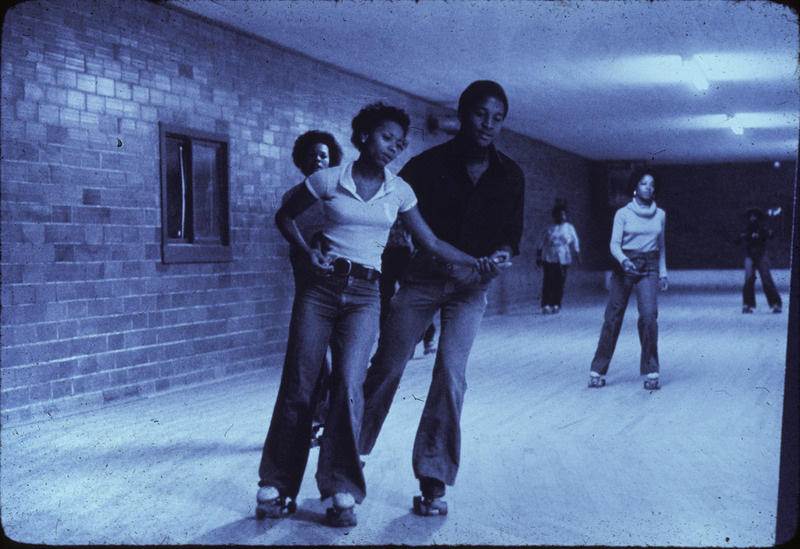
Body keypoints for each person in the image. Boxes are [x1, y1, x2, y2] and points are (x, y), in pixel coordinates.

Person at [256, 102, 492, 527]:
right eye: (387, 138)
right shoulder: (327, 178)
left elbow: (432, 244)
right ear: (363, 135)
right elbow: (285, 216)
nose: (393, 148)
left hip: (366, 295)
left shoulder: (398, 191)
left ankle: (340, 488)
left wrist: (477, 262)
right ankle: (276, 484)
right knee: (300, 381)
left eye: (400, 143)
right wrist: (307, 252)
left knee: (349, 384)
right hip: (320, 291)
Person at [358, 81, 525, 516]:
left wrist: (504, 253)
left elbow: (512, 234)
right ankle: (348, 456)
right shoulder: (426, 166)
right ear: (463, 114)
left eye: (497, 117)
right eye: (480, 114)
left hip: (472, 289)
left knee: (451, 374)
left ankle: (433, 480)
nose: (488, 125)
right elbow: (387, 210)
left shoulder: (511, 175)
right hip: (423, 280)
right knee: (388, 365)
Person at [283, 130, 345, 447]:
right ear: (301, 160)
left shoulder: (342, 193)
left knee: (344, 355)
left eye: (323, 155)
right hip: (310, 281)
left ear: (331, 158)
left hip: (344, 283)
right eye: (311, 155)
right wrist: (310, 253)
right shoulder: (293, 197)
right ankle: (313, 421)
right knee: (313, 357)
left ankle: (335, 422)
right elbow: (291, 235)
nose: (317, 160)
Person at [588, 169, 668, 391]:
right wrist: (624, 261)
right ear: (635, 187)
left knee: (649, 316)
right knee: (612, 317)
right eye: (643, 183)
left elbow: (661, 247)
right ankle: (598, 369)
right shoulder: (623, 214)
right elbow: (614, 244)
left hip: (650, 266)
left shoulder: (660, 214)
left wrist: (662, 272)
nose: (648, 187)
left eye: (651, 184)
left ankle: (651, 369)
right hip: (624, 266)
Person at [380, 219, 437, 355]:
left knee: (412, 297)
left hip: (403, 252)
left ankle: (427, 337)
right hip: (383, 254)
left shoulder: (402, 204)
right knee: (385, 300)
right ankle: (387, 344)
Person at [536, 202, 580, 314]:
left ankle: (556, 304)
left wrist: (577, 254)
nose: (562, 217)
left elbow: (575, 241)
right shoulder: (549, 228)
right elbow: (540, 241)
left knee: (559, 281)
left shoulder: (569, 228)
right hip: (549, 257)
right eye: (559, 215)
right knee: (548, 281)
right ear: (555, 216)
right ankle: (546, 304)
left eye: (564, 215)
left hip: (563, 258)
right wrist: (538, 256)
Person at [736, 207, 782, 314]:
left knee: (766, 279)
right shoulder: (746, 229)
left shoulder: (762, 228)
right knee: (748, 280)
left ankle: (775, 303)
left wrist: (767, 232)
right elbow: (737, 240)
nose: (753, 218)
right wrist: (743, 236)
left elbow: (771, 235)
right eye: (751, 216)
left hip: (761, 255)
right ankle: (748, 304)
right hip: (750, 255)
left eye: (754, 215)